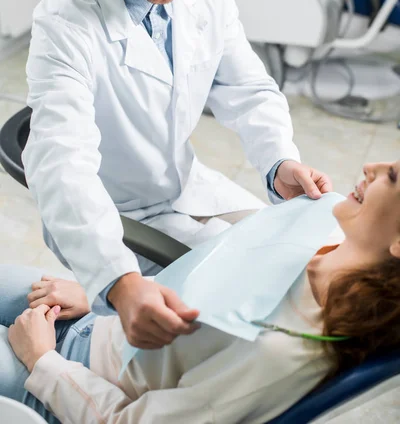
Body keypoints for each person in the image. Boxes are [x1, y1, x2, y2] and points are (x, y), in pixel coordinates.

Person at [22, 0, 332, 353]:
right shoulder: (64, 22)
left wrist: (279, 161)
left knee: (299, 255)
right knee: (254, 305)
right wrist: (117, 283)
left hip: (188, 185)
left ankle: (89, 297)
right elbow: (62, 166)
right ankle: (91, 307)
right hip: (118, 217)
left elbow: (247, 87)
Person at [1, 160, 400, 423]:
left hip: (72, 383)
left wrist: (43, 362)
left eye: (393, 177)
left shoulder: (289, 351)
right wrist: (106, 297)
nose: (372, 167)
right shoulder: (318, 237)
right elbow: (202, 287)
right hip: (98, 320)